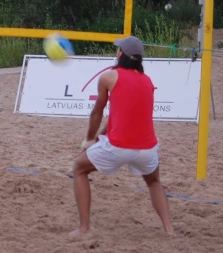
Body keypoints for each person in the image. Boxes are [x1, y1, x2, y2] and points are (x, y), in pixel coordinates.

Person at [70, 36, 173, 236]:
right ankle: (169, 229)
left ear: (121, 54)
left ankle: (84, 227)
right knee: (154, 182)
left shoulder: (109, 77)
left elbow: (97, 111)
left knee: (79, 169)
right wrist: (100, 137)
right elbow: (115, 120)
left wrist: (89, 139)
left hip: (118, 146)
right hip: (147, 147)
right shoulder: (148, 81)